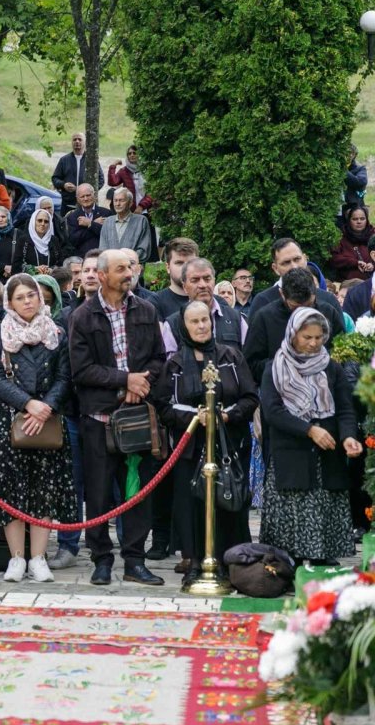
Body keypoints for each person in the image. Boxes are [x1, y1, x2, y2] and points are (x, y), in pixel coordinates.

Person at [68, 249, 166, 586]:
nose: (129, 274)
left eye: (131, 267)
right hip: (99, 420)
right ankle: (101, 560)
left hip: (137, 419)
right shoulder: (82, 317)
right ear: (105, 275)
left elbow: (158, 359)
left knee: (137, 491)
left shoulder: (147, 310)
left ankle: (135, 561)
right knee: (97, 495)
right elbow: (81, 370)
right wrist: (125, 381)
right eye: (121, 269)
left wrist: (141, 383)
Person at [152, 301, 259, 584]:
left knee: (228, 502)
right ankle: (196, 562)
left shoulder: (230, 356)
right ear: (184, 326)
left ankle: (230, 561)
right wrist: (194, 417)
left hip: (228, 444)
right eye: (194, 322)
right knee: (191, 506)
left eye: (205, 321)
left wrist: (227, 415)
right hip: (190, 447)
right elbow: (163, 405)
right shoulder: (174, 364)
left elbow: (250, 397)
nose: (201, 326)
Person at [0, 273, 75, 581]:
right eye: (20, 297)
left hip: (46, 418)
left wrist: (45, 406)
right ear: (9, 302)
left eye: (31, 296)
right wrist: (27, 404)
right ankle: (16, 558)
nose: (27, 302)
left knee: (43, 489)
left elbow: (64, 377)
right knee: (12, 489)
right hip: (9, 419)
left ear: (40, 297)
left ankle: (38, 557)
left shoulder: (56, 332)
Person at [260, 308, 361, 564]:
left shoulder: (331, 368)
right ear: (293, 334)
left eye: (318, 337)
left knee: (325, 506)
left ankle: (322, 561)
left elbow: (345, 408)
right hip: (291, 453)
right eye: (307, 337)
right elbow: (273, 412)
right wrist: (309, 430)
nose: (314, 343)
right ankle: (287, 566)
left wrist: (348, 436)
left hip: (327, 454)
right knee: (292, 515)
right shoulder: (276, 367)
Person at [244, 267, 347, 382]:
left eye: (309, 305)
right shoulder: (264, 317)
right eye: (295, 307)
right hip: (279, 390)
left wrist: (320, 361)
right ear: (282, 294)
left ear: (315, 293)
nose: (303, 312)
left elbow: (343, 352)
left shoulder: (328, 312)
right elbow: (250, 365)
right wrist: (287, 364)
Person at [250, 238, 343, 316]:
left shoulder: (328, 299)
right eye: (286, 262)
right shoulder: (263, 301)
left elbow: (340, 337)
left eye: (297, 259)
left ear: (305, 259)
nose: (294, 266)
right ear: (275, 268)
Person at [51, 132, 103, 213]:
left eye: (80, 139)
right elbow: (55, 178)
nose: (77, 141)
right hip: (68, 203)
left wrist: (88, 192)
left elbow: (101, 180)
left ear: (85, 142)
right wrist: (63, 185)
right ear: (71, 142)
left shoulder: (91, 160)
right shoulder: (64, 160)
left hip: (87, 203)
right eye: (74, 139)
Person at [98, 188, 151, 261]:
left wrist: (126, 260)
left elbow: (144, 248)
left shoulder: (141, 221)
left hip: (132, 267)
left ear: (130, 203)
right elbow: (102, 248)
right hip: (111, 268)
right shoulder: (108, 221)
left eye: (121, 200)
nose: (117, 204)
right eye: (115, 200)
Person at [329, 204, 375, 282]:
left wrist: (372, 264)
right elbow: (334, 258)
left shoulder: (373, 236)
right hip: (348, 283)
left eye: (362, 218)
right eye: (355, 219)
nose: (359, 222)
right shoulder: (340, 237)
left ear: (367, 220)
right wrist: (355, 263)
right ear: (349, 220)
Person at [64, 183, 110, 257]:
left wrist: (90, 224)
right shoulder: (73, 216)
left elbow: (107, 234)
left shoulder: (106, 213)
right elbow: (74, 240)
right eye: (82, 196)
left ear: (94, 195)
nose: (85, 199)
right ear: (77, 199)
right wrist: (93, 224)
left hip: (103, 256)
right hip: (82, 258)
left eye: (88, 195)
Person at [13, 208, 66, 273]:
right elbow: (16, 266)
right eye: (39, 220)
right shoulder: (23, 240)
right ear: (33, 222)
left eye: (46, 221)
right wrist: (34, 269)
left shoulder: (54, 240)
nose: (43, 224)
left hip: (50, 280)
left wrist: (51, 270)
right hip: (29, 280)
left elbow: (60, 263)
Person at [107, 145, 151, 213]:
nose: (132, 155)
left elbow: (151, 192)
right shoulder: (124, 171)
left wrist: (141, 206)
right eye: (129, 153)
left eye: (134, 153)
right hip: (129, 210)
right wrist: (113, 165)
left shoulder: (147, 170)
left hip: (146, 209)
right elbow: (112, 182)